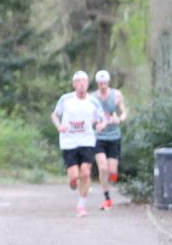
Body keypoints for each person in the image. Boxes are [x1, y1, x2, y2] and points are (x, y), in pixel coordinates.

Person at [50, 70, 106, 217]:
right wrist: (59, 126)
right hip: (69, 141)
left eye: (84, 81)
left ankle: (81, 206)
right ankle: (72, 180)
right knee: (74, 175)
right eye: (78, 81)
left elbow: (102, 118)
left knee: (86, 173)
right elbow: (54, 115)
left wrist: (101, 125)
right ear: (74, 84)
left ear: (87, 84)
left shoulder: (93, 101)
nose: (81, 84)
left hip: (87, 140)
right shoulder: (66, 99)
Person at [91, 69, 127, 210]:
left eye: (105, 83)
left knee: (112, 171)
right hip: (99, 137)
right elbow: (90, 115)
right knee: (103, 167)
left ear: (108, 83)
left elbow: (124, 112)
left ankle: (113, 176)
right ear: (97, 84)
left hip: (114, 136)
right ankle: (107, 198)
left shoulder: (116, 95)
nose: (103, 86)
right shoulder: (92, 97)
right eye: (100, 84)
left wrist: (120, 119)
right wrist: (96, 123)